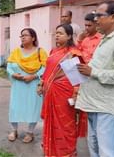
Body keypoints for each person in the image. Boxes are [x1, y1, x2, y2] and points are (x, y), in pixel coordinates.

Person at [76, 0, 114, 157]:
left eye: (99, 16)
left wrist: (93, 72)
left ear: (113, 17)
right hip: (93, 105)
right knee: (95, 149)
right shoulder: (106, 38)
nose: (95, 20)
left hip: (107, 108)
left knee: (108, 152)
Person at [38, 24, 87, 156]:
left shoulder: (72, 53)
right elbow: (47, 72)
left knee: (65, 124)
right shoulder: (54, 51)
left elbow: (77, 79)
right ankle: (51, 150)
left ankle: (67, 152)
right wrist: (41, 83)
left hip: (65, 95)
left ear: (69, 36)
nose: (57, 35)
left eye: (61, 33)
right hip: (50, 93)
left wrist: (76, 94)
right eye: (56, 33)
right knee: (51, 122)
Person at [6, 28, 48, 143]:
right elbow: (9, 66)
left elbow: (45, 68)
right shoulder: (16, 52)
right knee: (15, 108)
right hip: (18, 84)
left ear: (33, 38)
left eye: (26, 35)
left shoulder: (41, 52)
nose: (23, 37)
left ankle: (30, 132)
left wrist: (33, 76)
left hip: (33, 84)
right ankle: (14, 130)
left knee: (33, 108)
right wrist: (13, 74)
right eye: (21, 36)